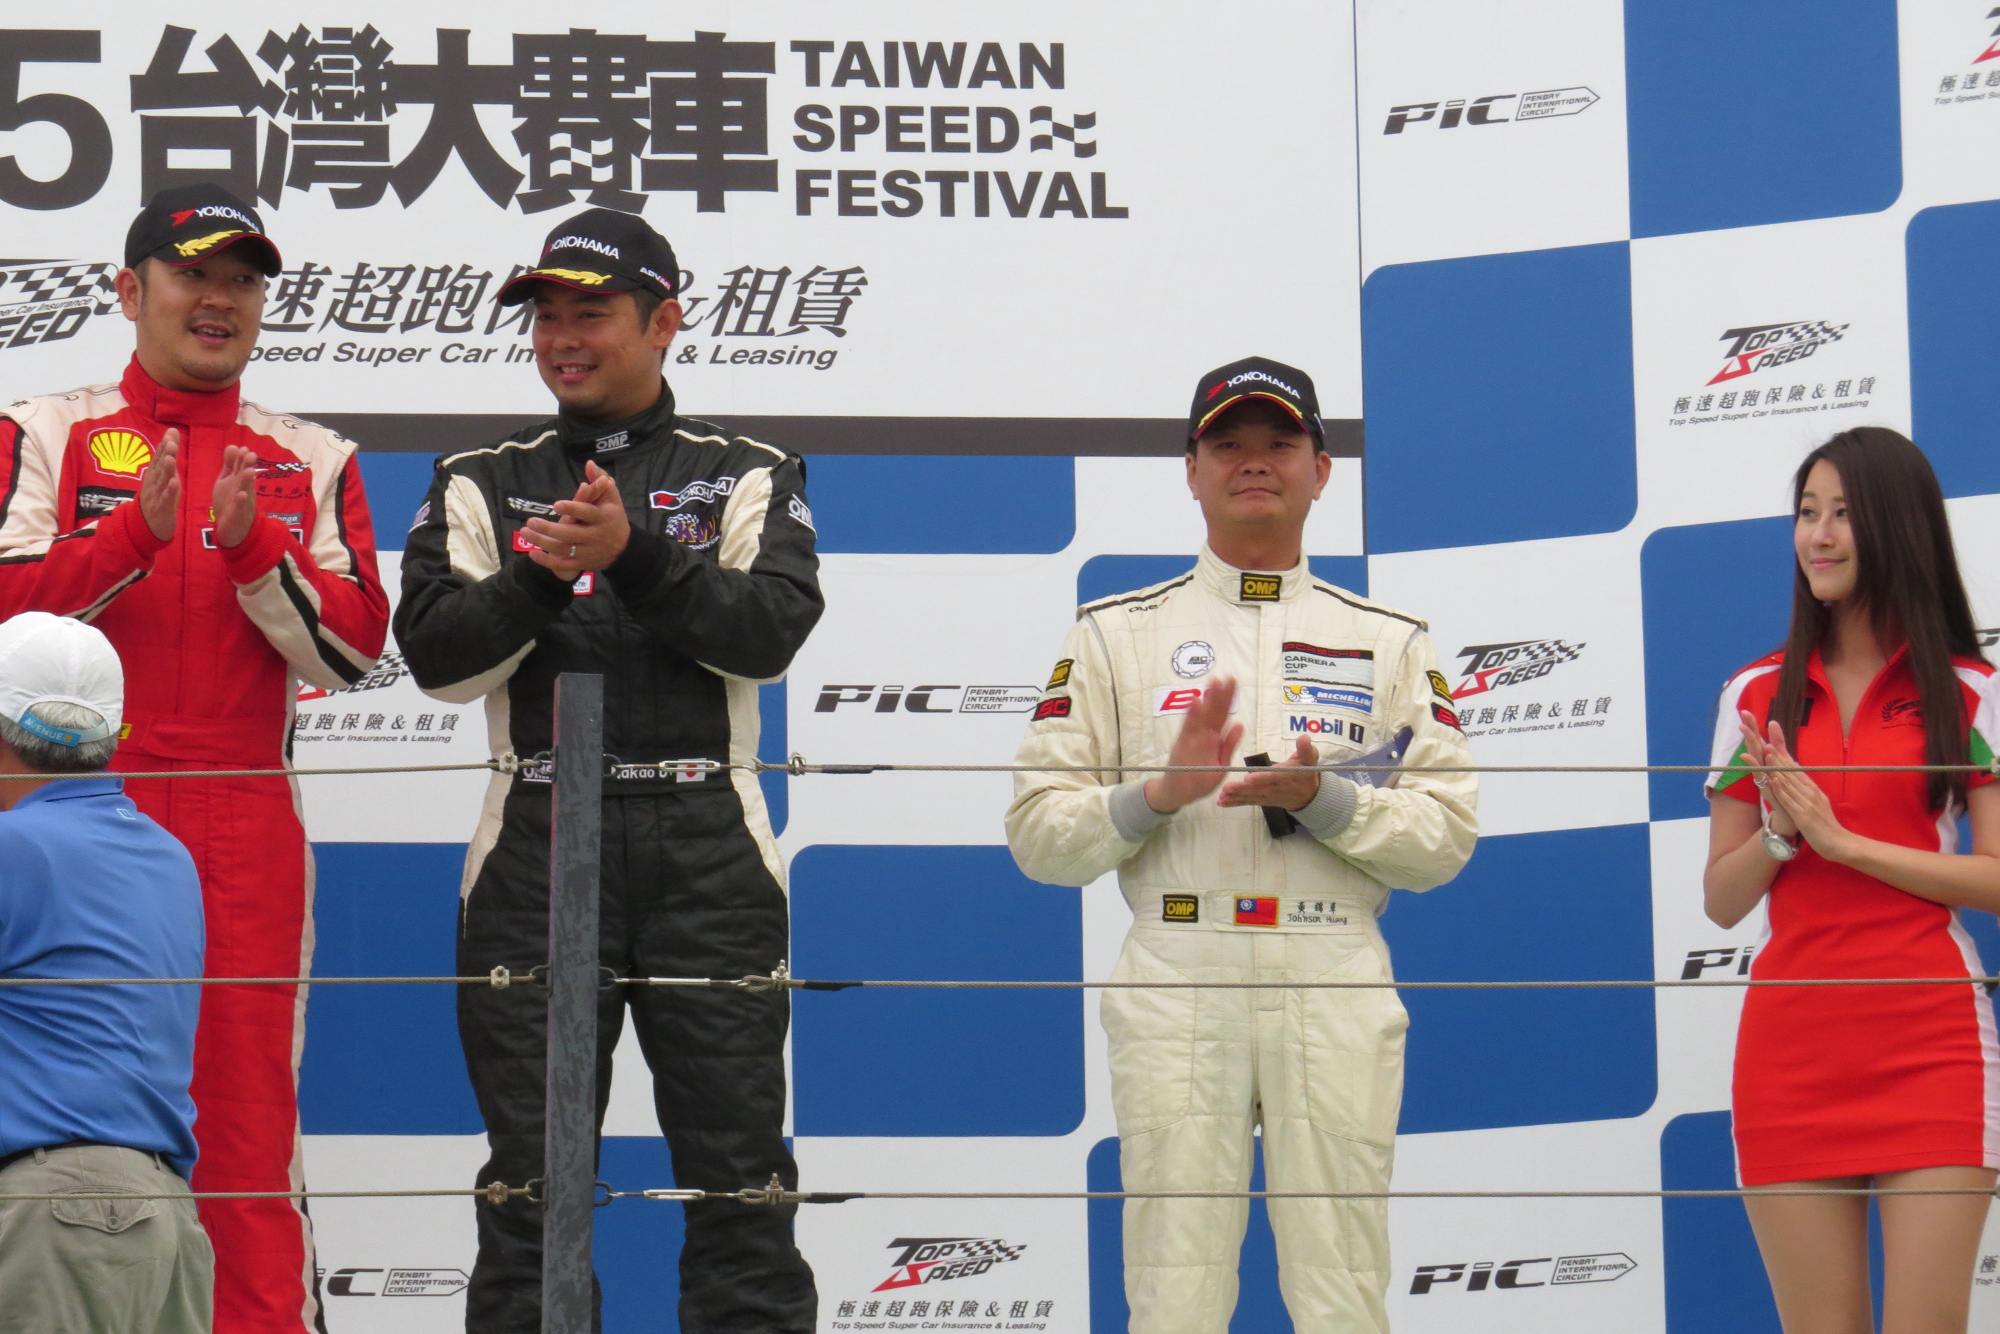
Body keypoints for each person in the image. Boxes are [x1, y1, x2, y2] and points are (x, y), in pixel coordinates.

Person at [395, 208, 822, 1334]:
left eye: (590, 312)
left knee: (739, 1181)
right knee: (535, 1190)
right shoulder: (479, 477)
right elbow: (438, 662)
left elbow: (766, 636)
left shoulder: (748, 469)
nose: (562, 338)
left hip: (708, 848)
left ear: (663, 321)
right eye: (545, 315)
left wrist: (635, 554)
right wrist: (543, 573)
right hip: (537, 845)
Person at [1005, 357, 1479, 1334]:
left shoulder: (1389, 641)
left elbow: (1442, 843)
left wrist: (1325, 801)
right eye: (1227, 443)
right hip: (1179, 965)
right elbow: (1040, 840)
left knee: (1342, 1293)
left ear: (1321, 469)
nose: (1252, 461)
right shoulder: (1113, 635)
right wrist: (1156, 795)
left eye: (1278, 442)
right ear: (1190, 470)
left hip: (1332, 964)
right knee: (1172, 1295)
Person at [0, 184, 388, 1333]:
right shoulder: (43, 426)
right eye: (192, 274)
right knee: (38, 1102)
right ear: (131, 291)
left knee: (243, 1123)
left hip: (240, 817)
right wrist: (130, 537)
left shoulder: (309, 455)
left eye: (243, 279)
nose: (219, 298)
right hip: (54, 815)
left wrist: (256, 550)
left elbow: (355, 649)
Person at [1705, 427, 2000, 1334]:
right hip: (1791, 1049)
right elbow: (1722, 900)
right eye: (1807, 512)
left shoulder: (1971, 688)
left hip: (1931, 1042)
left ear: (1897, 525)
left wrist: (1847, 843)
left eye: (1843, 513)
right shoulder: (1755, 693)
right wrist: (1784, 834)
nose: (1819, 535)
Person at [0, 612, 210, 1334]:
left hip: (54, 1216)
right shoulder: (168, 853)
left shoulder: (13, 846)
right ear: (111, 732)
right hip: (164, 1221)